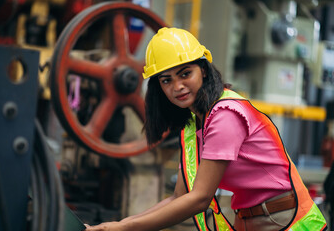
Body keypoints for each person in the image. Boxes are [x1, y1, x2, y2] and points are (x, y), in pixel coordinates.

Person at [85, 27, 327, 231]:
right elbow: (179, 196)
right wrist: (119, 224)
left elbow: (199, 198)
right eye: (166, 80)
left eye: (185, 73)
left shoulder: (224, 116)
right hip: (252, 219)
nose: (177, 86)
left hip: (285, 220)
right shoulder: (194, 123)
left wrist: (126, 228)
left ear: (203, 69)